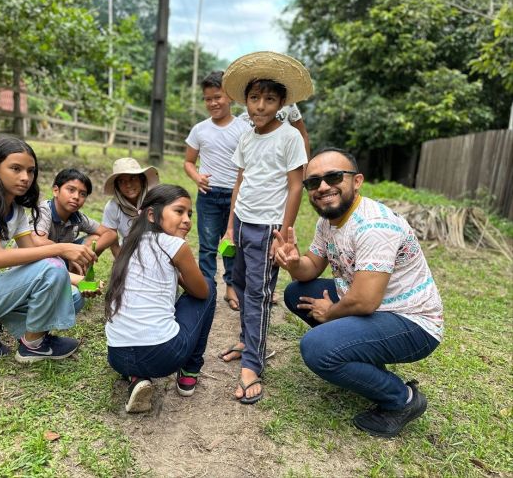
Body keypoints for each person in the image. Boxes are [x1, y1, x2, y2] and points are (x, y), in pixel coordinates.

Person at [275, 148, 443, 438]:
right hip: (374, 307)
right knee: (297, 293)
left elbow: (365, 301)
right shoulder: (328, 221)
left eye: (334, 177)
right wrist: (293, 262)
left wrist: (330, 314)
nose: (323, 187)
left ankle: (402, 400)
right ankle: (361, 358)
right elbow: (312, 267)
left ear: (357, 181)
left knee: (316, 347)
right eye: (313, 182)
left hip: (412, 322)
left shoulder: (375, 225)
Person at [0, 137, 96, 362]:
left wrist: (80, 281)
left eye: (30, 171)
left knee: (74, 297)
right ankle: (33, 345)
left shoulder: (17, 209)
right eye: (16, 168)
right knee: (54, 263)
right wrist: (61, 248)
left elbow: (31, 261)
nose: (25, 178)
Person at [221, 51, 312, 404]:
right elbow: (240, 181)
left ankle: (252, 365)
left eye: (269, 99)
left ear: (281, 103)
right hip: (243, 222)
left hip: (269, 227)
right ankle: (247, 340)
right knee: (241, 284)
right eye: (255, 98)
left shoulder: (289, 137)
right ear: (246, 101)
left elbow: (294, 186)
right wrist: (231, 226)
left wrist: (284, 231)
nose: (260, 106)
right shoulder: (246, 135)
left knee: (259, 294)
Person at [105, 185, 216, 413]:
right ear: (152, 215)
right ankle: (189, 372)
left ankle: (137, 378)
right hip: (163, 355)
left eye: (189, 214)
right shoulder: (175, 245)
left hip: (117, 355)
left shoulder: (128, 244)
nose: (186, 220)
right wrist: (179, 272)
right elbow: (201, 293)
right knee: (210, 286)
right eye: (179, 211)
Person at [183, 70, 251, 311]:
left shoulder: (244, 129)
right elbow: (189, 162)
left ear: (230, 97)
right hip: (208, 196)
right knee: (209, 245)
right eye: (208, 98)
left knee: (231, 243)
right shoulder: (200, 130)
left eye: (218, 97)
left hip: (236, 197)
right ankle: (206, 287)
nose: (213, 103)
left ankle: (230, 286)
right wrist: (196, 176)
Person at [30, 168, 117, 286]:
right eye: (71, 190)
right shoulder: (43, 210)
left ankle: (74, 281)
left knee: (95, 238)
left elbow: (110, 234)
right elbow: (37, 241)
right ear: (56, 190)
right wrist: (67, 251)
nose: (76, 197)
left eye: (83, 194)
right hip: (36, 262)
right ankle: (73, 282)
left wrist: (83, 254)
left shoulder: (78, 217)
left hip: (62, 260)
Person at [101, 157, 159, 257]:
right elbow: (114, 244)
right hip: (130, 253)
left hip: (157, 250)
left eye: (133, 178)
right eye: (122, 181)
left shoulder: (156, 200)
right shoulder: (112, 207)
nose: (128, 185)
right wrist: (122, 266)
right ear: (117, 186)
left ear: (141, 179)